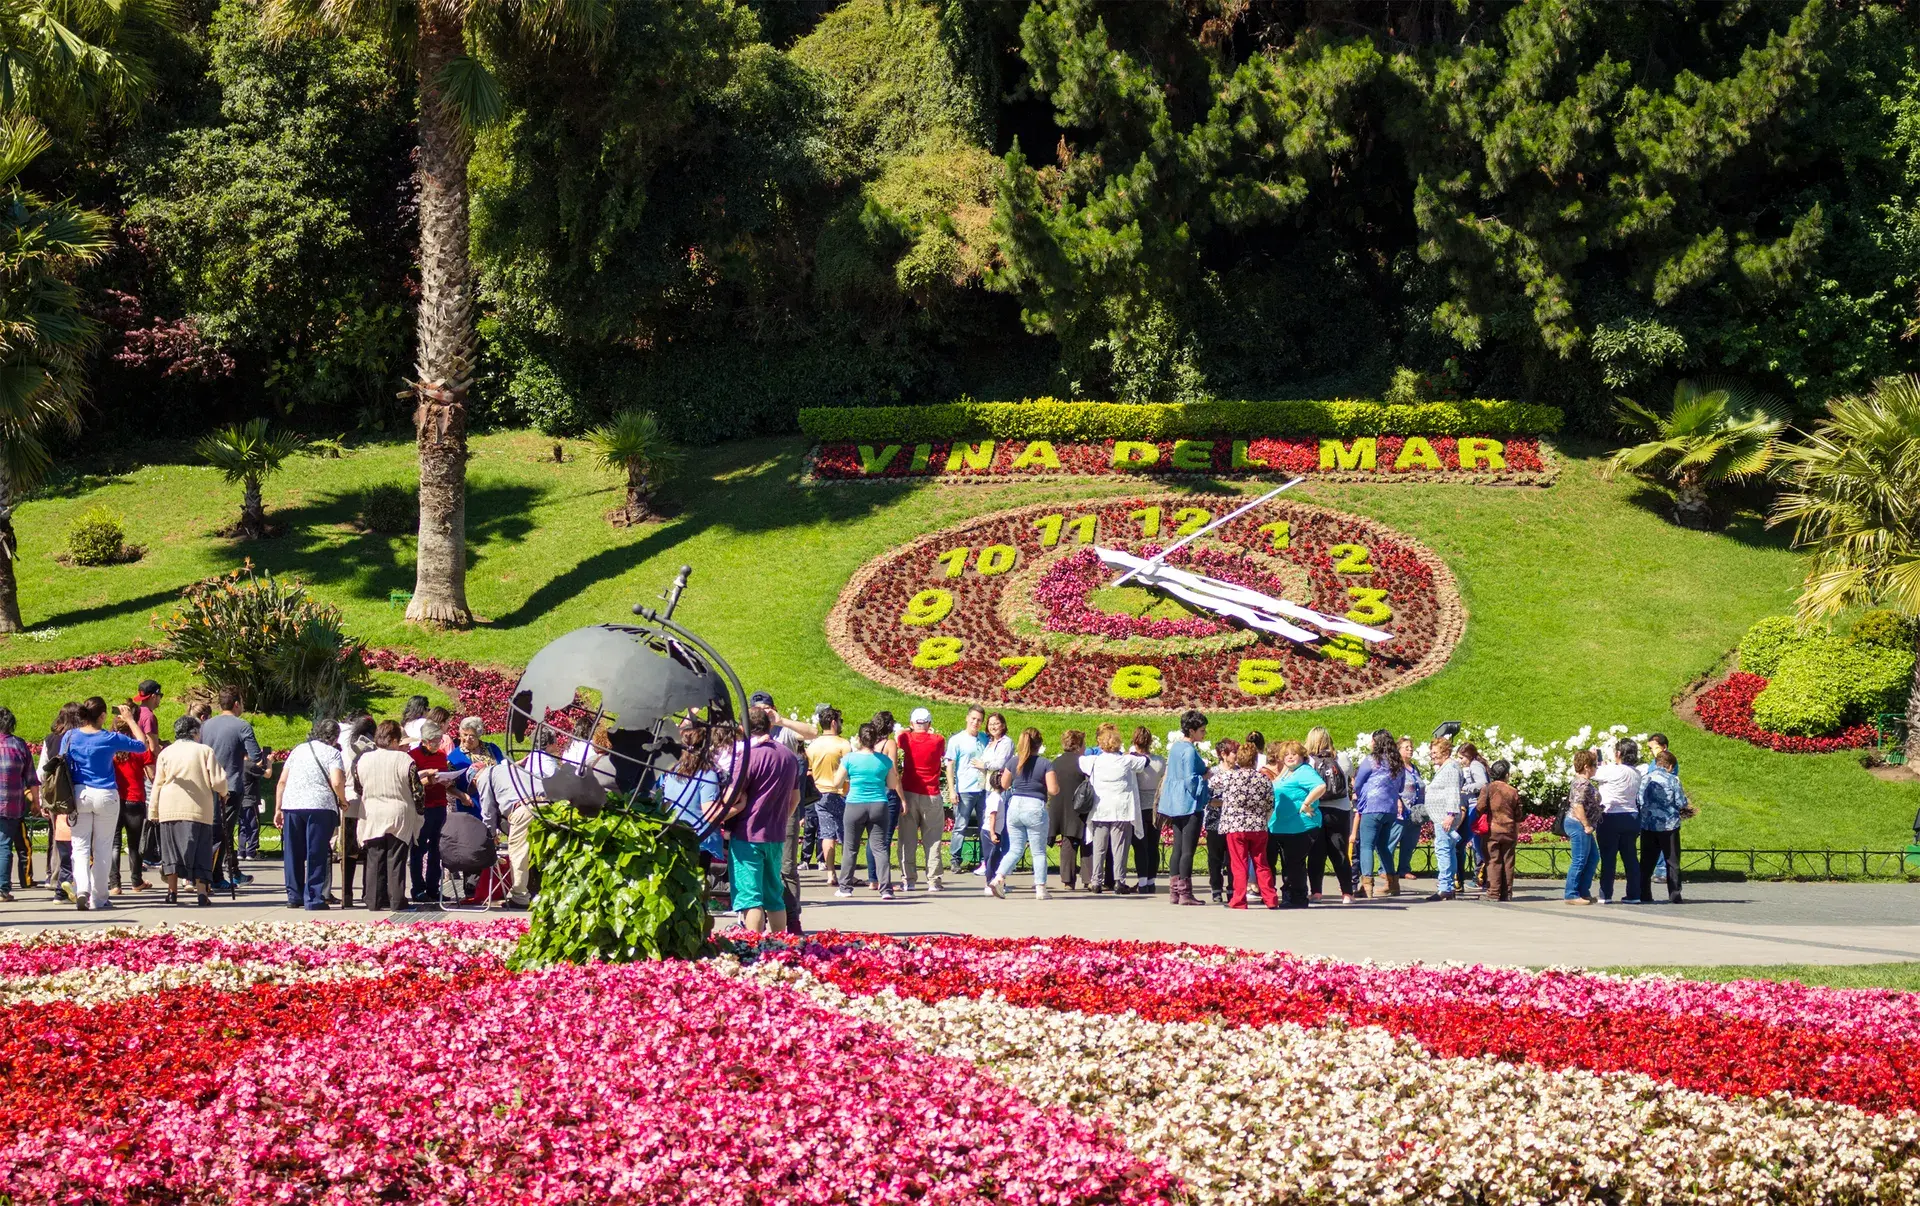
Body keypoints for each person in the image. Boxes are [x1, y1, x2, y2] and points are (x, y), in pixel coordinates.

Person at [60, 698, 154, 910]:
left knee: (80, 846)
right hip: (106, 795)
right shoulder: (109, 737)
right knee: (102, 847)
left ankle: (82, 888)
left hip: (79, 794)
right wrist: (130, 720)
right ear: (102, 716)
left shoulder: (70, 736)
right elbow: (142, 746)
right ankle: (99, 897)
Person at [720, 706, 800, 932]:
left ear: (742, 727)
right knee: (774, 896)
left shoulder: (748, 757)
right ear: (769, 725)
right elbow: (795, 798)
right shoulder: (788, 755)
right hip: (775, 834)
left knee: (750, 898)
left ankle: (754, 950)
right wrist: (782, 819)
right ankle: (778, 946)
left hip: (748, 834)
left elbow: (731, 798)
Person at [477, 726, 560, 909]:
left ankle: (520, 897)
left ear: (475, 777)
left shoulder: (484, 777)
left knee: (518, 852)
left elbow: (488, 813)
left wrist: (490, 836)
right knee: (545, 849)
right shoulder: (508, 768)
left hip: (525, 809)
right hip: (548, 804)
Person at [151, 715, 224, 906]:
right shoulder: (204, 751)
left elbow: (157, 783)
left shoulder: (166, 753)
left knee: (171, 852)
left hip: (170, 808)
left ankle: (172, 893)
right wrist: (224, 792)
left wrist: (153, 811)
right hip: (198, 809)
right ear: (194, 732)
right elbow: (218, 781)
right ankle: (201, 894)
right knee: (201, 851)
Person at [275, 718, 345, 910]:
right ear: (334, 737)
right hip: (320, 806)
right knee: (316, 853)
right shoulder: (333, 753)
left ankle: (294, 896)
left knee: (293, 852)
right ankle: (313, 898)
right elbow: (337, 782)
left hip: (292, 804)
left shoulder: (298, 750)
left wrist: (278, 808)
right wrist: (343, 800)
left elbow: (282, 781)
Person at [199, 688, 263, 889]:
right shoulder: (242, 725)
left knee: (213, 829)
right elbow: (256, 757)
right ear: (236, 704)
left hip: (207, 783)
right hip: (231, 785)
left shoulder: (206, 725)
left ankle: (215, 874)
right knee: (223, 832)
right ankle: (215, 877)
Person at [357, 721, 423, 912]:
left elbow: (358, 786)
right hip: (399, 813)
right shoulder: (405, 760)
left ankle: (374, 900)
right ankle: (396, 900)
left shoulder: (363, 759)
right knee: (396, 859)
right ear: (394, 740)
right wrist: (420, 812)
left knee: (374, 859)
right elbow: (417, 791)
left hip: (371, 813)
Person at [1079, 723, 1147, 894]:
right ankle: (1119, 880)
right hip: (1121, 810)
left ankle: (1096, 881)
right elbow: (1144, 761)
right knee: (1119, 847)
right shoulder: (1126, 760)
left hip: (1100, 809)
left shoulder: (1094, 760)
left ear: (1100, 744)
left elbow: (1081, 760)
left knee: (1099, 847)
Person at [989, 727, 1056, 899]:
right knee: (1038, 851)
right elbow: (1054, 789)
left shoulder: (1013, 762)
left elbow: (1003, 784)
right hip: (1035, 807)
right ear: (1039, 744)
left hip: (1015, 806)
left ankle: (998, 878)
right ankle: (1040, 888)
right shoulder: (1045, 763)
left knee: (1015, 849)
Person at [835, 721, 898, 898]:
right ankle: (886, 889)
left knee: (850, 847)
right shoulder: (884, 760)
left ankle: (845, 888)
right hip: (879, 804)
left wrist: (849, 780)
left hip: (855, 804)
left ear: (859, 739)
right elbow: (892, 785)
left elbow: (836, 782)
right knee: (879, 848)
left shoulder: (849, 758)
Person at [1213, 741, 1276, 909]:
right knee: (1261, 863)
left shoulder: (1229, 776)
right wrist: (1264, 820)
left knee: (1238, 864)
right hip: (1258, 826)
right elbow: (1271, 804)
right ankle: (1270, 898)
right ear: (1255, 760)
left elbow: (1212, 784)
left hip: (1235, 826)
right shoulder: (1263, 779)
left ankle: (1239, 900)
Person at [1157, 710, 1209, 906]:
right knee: (1188, 850)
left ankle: (1174, 892)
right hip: (1188, 804)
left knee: (1177, 848)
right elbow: (1190, 780)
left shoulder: (1176, 747)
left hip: (1173, 803)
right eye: (1202, 730)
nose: (1204, 734)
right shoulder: (1188, 750)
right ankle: (1185, 893)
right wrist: (1204, 777)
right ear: (1192, 730)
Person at [894, 707, 948, 892]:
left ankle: (908, 879)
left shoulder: (905, 738)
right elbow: (942, 753)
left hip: (908, 792)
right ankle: (933, 881)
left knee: (907, 839)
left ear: (911, 723)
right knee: (932, 840)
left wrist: (911, 729)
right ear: (929, 724)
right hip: (931, 794)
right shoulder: (938, 740)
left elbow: (899, 734)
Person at [1267, 740, 1326, 908]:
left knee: (1294, 863)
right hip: (1281, 826)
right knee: (1287, 863)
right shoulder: (1287, 772)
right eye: (1286, 754)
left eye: (1294, 754)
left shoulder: (1304, 771)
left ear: (1302, 756)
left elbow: (1320, 786)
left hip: (1300, 826)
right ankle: (1288, 895)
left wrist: (1306, 804)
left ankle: (1298, 897)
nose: (1290, 757)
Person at [1351, 729, 1407, 899]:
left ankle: (1367, 885)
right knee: (1382, 846)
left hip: (1372, 807)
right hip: (1390, 809)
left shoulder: (1371, 760)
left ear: (1377, 742)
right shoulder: (1398, 762)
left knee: (1367, 845)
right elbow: (1402, 788)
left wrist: (1358, 794)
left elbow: (1358, 782)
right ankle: (1393, 883)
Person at [1303, 727, 1355, 904]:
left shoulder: (1308, 761)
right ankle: (1347, 893)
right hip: (1340, 809)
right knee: (1340, 852)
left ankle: (1316, 892)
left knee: (1316, 852)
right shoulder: (1342, 758)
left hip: (1316, 809)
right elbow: (1350, 775)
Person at [1592, 738, 1644, 903]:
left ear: (1618, 753)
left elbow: (1594, 773)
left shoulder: (1612, 770)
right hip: (1632, 817)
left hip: (1611, 816)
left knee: (1608, 857)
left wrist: (1595, 759)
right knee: (1630, 857)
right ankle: (1634, 894)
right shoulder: (1636, 773)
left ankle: (1606, 894)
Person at [108, 712, 154, 895]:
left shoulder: (109, 749)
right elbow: (151, 773)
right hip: (135, 799)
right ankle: (136, 881)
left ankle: (114, 884)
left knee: (114, 843)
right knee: (134, 844)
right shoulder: (138, 750)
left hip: (114, 799)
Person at [1637, 749, 1690, 904]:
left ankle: (1644, 893)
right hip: (1669, 826)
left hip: (1648, 825)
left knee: (1646, 861)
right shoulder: (1674, 780)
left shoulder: (1645, 778)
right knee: (1672, 861)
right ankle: (1674, 894)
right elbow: (1681, 802)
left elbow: (1639, 800)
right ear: (1670, 766)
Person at [407, 719, 452, 901]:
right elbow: (411, 785)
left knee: (436, 848)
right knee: (418, 849)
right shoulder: (413, 756)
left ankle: (434, 888)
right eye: (434, 742)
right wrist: (428, 780)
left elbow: (445, 776)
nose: (438, 745)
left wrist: (447, 781)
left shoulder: (441, 755)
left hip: (439, 805)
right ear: (425, 741)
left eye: (439, 741)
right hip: (422, 808)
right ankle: (418, 889)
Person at [804, 708, 851, 878]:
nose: (840, 724)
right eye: (840, 721)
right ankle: (848, 873)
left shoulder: (814, 745)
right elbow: (849, 771)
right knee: (846, 834)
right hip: (839, 793)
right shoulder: (843, 744)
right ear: (833, 722)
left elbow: (808, 770)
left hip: (819, 794)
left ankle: (831, 873)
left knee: (826, 833)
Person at [943, 706, 988, 874]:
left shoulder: (984, 739)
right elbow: (949, 765)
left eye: (979, 720)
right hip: (965, 789)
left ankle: (985, 859)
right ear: (967, 718)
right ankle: (956, 859)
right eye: (973, 719)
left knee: (985, 826)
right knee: (961, 825)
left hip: (983, 788)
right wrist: (952, 790)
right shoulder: (957, 740)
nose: (975, 722)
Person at [338, 717, 376, 908]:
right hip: (368, 804)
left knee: (348, 852)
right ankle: (368, 892)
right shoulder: (373, 749)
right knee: (369, 850)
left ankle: (346, 894)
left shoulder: (347, 750)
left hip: (349, 802)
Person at [973, 713, 1014, 889]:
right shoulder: (990, 742)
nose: (993, 726)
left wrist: (984, 764)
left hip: (999, 788)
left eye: (997, 723)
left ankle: (998, 872)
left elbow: (1000, 763)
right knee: (988, 828)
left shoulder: (1006, 742)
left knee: (997, 830)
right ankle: (989, 864)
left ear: (1003, 725)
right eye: (990, 724)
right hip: (986, 788)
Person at [0, 707, 36, 902]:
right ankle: (2, 890)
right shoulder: (18, 745)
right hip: (10, 804)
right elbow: (31, 778)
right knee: (4, 846)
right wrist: (36, 802)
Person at [1047, 729, 1090, 891]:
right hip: (1080, 808)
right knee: (1087, 842)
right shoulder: (1082, 762)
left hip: (1060, 807)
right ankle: (1088, 878)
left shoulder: (1056, 762)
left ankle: (1067, 880)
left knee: (1068, 843)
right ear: (1078, 745)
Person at [1423, 737, 1465, 901]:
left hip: (1445, 817)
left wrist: (1450, 815)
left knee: (1443, 850)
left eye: (1434, 752)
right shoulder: (1447, 767)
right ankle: (1448, 886)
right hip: (1442, 816)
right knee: (1448, 850)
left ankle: (1445, 887)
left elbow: (1452, 792)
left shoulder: (1451, 768)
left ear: (1445, 752)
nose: (1432, 755)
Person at [1128, 726, 1165, 894]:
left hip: (1138, 806)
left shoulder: (1132, 761)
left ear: (1135, 742)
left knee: (1140, 845)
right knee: (1153, 845)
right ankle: (1151, 881)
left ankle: (1142, 881)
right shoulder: (1160, 761)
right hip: (1156, 806)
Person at [1562, 748, 1600, 905]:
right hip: (1578, 824)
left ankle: (1583, 891)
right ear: (1586, 766)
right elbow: (1577, 805)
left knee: (1592, 858)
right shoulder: (1582, 783)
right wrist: (1586, 825)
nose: (1596, 768)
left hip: (1581, 825)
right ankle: (1571, 894)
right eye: (1595, 765)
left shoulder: (1582, 781)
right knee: (1579, 860)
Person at [1481, 759, 1523, 901]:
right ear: (1506, 775)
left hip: (1492, 831)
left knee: (1493, 861)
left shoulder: (1487, 789)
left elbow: (1479, 808)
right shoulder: (1512, 791)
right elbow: (1518, 815)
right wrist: (1516, 832)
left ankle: (1493, 893)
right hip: (1509, 830)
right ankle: (1507, 893)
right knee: (1508, 862)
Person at [1203, 738, 1238, 903]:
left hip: (1234, 822)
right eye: (1234, 752)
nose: (1236, 756)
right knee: (1215, 858)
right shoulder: (1213, 773)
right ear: (1223, 754)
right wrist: (1224, 802)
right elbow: (1206, 798)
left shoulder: (1240, 772)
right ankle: (1216, 889)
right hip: (1215, 820)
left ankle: (1233, 889)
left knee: (1233, 858)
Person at [1457, 741, 1490, 890]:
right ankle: (1482, 876)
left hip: (1474, 805)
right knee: (1475, 841)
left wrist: (1465, 788)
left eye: (1462, 757)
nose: (1460, 761)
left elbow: (1483, 783)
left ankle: (1482, 876)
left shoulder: (1475, 765)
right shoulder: (1474, 765)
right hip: (1472, 805)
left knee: (1475, 842)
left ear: (1469, 756)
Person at [1392, 736, 1425, 882]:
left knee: (1410, 842)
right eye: (1406, 747)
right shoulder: (1397, 768)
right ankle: (1385, 869)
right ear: (1398, 750)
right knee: (1393, 839)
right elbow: (1392, 787)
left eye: (1411, 747)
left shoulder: (1414, 768)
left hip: (1416, 812)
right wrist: (1398, 801)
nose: (1410, 749)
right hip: (1401, 810)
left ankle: (1404, 869)